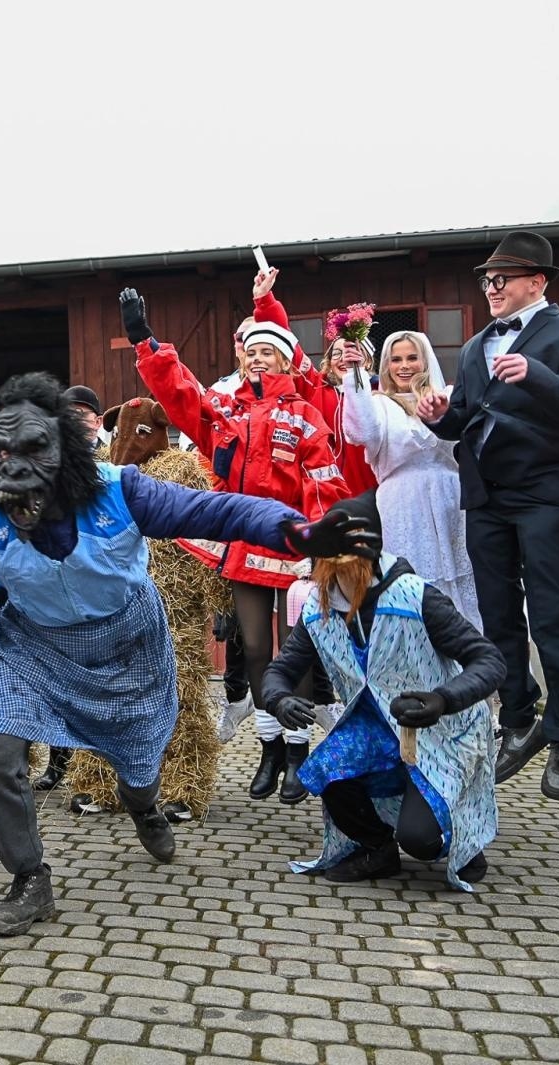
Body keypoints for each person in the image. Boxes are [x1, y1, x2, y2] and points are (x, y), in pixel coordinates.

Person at [0, 369, 380, 937]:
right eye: (0, 450)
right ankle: (30, 879)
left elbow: (223, 512)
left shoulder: (121, 491)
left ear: (69, 450)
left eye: (33, 447)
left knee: (137, 764)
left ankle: (143, 804)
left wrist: (299, 532)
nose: (14, 463)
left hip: (126, 645)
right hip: (31, 643)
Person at [135, 278, 349, 805]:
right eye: (250, 352)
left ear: (283, 361)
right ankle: (269, 747)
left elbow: (324, 479)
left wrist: (319, 545)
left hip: (293, 546)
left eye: (266, 353)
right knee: (253, 649)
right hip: (245, 542)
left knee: (294, 653)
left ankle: (299, 753)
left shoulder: (304, 414)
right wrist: (147, 342)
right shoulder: (226, 411)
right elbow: (182, 395)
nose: (256, 360)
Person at [418, 231, 559, 801]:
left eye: (502, 279)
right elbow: (468, 421)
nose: (491, 288)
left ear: (537, 282)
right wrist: (437, 417)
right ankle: (519, 716)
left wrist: (536, 373)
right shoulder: (476, 347)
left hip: (548, 492)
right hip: (487, 498)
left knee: (551, 612)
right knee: (497, 615)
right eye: (486, 280)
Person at [263, 493, 503, 890]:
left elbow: (489, 661)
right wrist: (279, 699)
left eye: (342, 567)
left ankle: (460, 834)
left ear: (368, 561)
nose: (332, 578)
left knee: (422, 842)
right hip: (376, 728)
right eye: (325, 565)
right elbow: (280, 670)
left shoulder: (416, 596)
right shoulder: (318, 610)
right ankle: (376, 848)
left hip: (444, 730)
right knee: (325, 769)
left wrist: (443, 699)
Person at [338, 331, 480, 627]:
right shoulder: (378, 404)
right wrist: (355, 376)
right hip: (403, 503)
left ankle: (475, 657)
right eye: (396, 359)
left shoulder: (449, 396)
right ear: (386, 365)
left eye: (412, 358)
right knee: (413, 578)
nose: (404, 366)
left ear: (425, 361)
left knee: (467, 578)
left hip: (452, 499)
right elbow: (360, 432)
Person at [32, 382, 106, 792]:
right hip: (58, 588)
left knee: (97, 683)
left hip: (101, 589)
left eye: (84, 414)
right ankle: (58, 762)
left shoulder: (117, 461)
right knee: (58, 679)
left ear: (97, 420)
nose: (77, 422)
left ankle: (94, 770)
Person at [247, 269, 378, 496]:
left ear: (367, 361)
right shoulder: (315, 387)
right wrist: (265, 301)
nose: (343, 358)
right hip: (323, 495)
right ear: (327, 361)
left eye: (352, 353)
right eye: (336, 354)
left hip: (372, 494)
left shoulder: (380, 394)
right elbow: (289, 347)